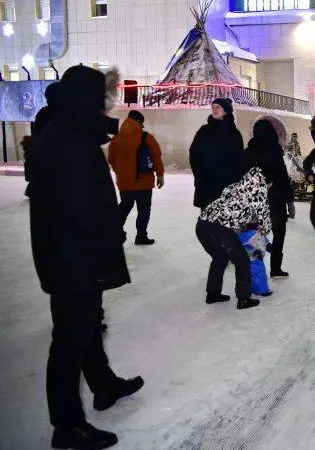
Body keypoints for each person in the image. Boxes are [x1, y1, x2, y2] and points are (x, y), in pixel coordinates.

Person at [28, 64, 143, 450]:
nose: (104, 107)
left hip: (73, 253)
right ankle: (67, 426)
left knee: (88, 324)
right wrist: (107, 231)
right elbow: (78, 206)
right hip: (70, 256)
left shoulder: (69, 134)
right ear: (83, 100)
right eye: (100, 99)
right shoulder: (66, 142)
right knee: (69, 340)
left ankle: (104, 384)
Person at [196, 159, 272, 310]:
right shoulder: (259, 189)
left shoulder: (238, 185)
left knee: (220, 258)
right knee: (242, 260)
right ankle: (243, 299)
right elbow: (263, 216)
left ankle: (213, 294)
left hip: (202, 225)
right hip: (220, 228)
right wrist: (265, 235)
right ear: (266, 180)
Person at [244, 119, 294, 278]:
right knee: (279, 234)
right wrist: (290, 202)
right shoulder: (276, 152)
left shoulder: (248, 153)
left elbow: (240, 179)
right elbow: (284, 179)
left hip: (254, 204)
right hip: (276, 202)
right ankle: (276, 268)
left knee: (255, 237)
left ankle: (255, 273)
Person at [107, 110, 165, 246]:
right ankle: (141, 236)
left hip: (124, 182)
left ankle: (113, 232)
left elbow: (111, 160)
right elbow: (156, 157)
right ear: (139, 122)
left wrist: (120, 173)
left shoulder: (116, 138)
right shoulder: (146, 137)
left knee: (125, 206)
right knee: (144, 209)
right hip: (144, 181)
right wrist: (160, 175)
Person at [189, 98, 245, 209]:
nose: (214, 109)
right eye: (213, 107)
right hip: (205, 182)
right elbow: (194, 153)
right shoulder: (204, 131)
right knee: (206, 220)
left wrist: (230, 178)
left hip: (226, 184)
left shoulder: (234, 133)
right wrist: (199, 174)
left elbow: (238, 159)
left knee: (224, 220)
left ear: (226, 111)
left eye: (218, 107)